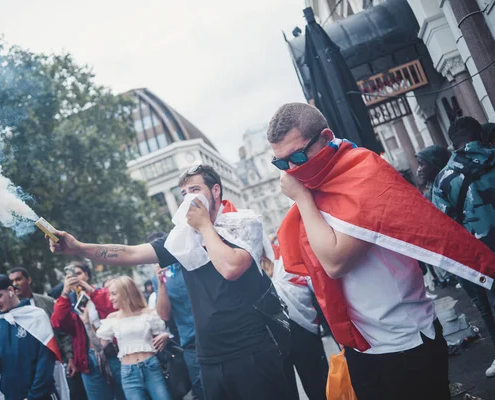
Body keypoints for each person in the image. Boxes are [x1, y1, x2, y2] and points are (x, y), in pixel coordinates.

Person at [267, 103, 495, 400]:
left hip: (405, 342)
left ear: (325, 137)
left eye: (298, 157)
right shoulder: (317, 184)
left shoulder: (362, 172)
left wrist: (301, 198)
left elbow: (335, 262)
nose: (293, 171)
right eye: (282, 165)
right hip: (362, 345)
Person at [46, 164, 288, 400]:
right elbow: (129, 253)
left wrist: (204, 225)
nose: (188, 199)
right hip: (209, 358)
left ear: (215, 191)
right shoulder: (181, 239)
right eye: (183, 193)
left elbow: (231, 268)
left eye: (195, 190)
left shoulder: (243, 224)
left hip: (252, 351)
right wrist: (78, 247)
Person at [432, 116, 495, 377]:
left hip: (482, 257)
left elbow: (443, 228)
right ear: (480, 136)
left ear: (452, 143)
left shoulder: (443, 180)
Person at [0, 274, 60, 400]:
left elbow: (46, 361)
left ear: (10, 290)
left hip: (41, 395)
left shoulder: (36, 316)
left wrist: (33, 396)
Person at [50, 260, 125, 400]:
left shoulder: (99, 294)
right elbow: (58, 323)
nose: (75, 278)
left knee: (125, 395)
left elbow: (113, 308)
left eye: (78, 274)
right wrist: (65, 293)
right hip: (88, 358)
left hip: (113, 353)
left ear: (86, 275)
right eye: (70, 276)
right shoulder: (67, 301)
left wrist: (91, 292)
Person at [262, 248, 328, 400]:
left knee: (319, 387)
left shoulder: (285, 253)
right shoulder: (243, 265)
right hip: (270, 337)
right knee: (285, 391)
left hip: (304, 329)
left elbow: (316, 286)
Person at [96, 276, 171, 400]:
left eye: (114, 294)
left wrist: (166, 335)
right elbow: (98, 346)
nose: (110, 298)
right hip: (128, 373)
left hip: (151, 367)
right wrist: (86, 323)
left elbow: (162, 332)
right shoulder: (112, 319)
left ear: (126, 293)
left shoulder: (148, 314)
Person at [9, 267, 74, 399]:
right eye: (12, 281)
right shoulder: (10, 313)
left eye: (18, 279)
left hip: (54, 361)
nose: (15, 284)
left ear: (29, 280)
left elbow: (62, 331)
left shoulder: (47, 302)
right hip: (29, 369)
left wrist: (70, 357)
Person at [151, 254, 203, 399]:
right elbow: (164, 315)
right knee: (201, 390)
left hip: (215, 334)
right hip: (190, 343)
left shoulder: (193, 263)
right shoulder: (159, 278)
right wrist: (161, 284)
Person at [416, 145, 454, 289]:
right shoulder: (432, 189)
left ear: (435, 163)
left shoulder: (448, 184)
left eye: (421, 164)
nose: (418, 169)